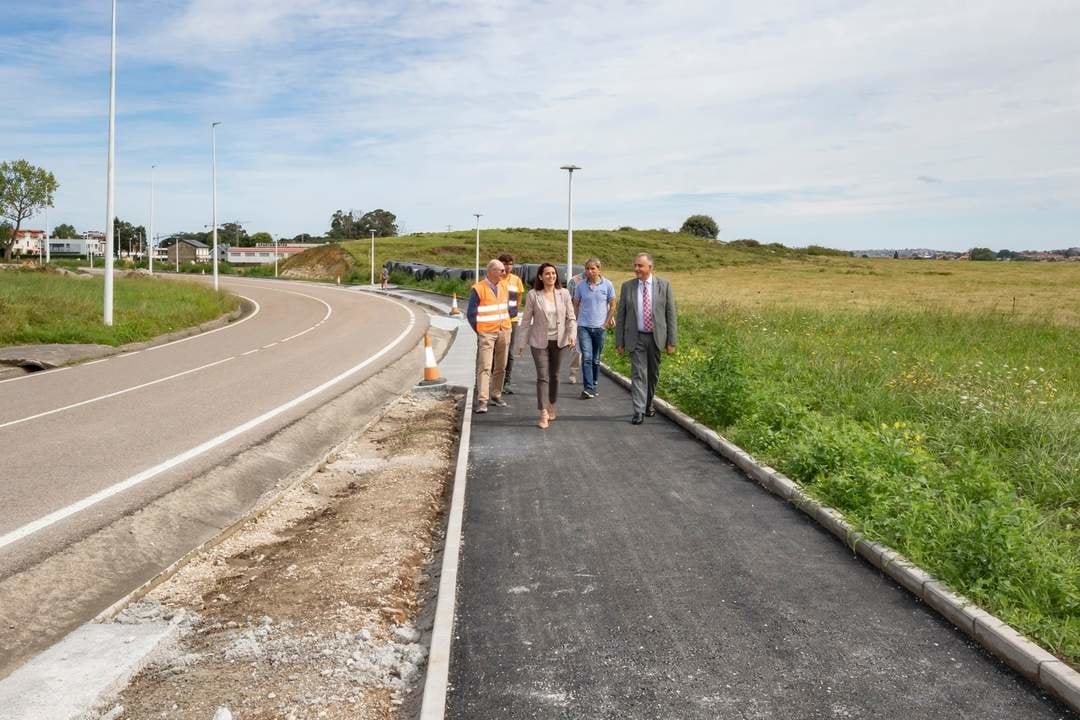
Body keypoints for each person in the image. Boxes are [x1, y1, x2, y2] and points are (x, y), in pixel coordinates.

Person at [615, 252, 677, 425]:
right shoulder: (627, 286)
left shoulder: (664, 285)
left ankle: (649, 404)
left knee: (652, 375)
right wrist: (619, 341)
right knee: (638, 374)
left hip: (657, 337)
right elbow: (621, 315)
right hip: (636, 337)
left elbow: (670, 314)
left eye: (640, 266)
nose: (636, 269)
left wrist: (672, 341)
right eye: (635, 265)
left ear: (650, 267)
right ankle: (638, 411)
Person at [514, 263, 577, 429]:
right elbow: (526, 320)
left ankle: (552, 404)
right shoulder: (534, 295)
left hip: (560, 341)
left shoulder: (564, 294)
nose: (551, 276)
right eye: (547, 274)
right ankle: (542, 412)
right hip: (539, 342)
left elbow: (571, 318)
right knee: (543, 376)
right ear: (540, 277)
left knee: (555, 375)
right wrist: (521, 342)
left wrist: (572, 334)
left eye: (553, 273)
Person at [467, 259, 512, 413]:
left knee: (501, 366)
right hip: (486, 333)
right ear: (491, 271)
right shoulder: (478, 288)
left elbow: (510, 308)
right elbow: (471, 313)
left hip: (504, 330)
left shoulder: (504, 286)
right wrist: (480, 331)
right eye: (501, 270)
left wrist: (507, 326)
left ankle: (496, 395)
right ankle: (482, 400)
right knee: (485, 366)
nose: (504, 273)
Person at [572, 257, 616, 399]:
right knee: (587, 357)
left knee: (596, 359)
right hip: (584, 326)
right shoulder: (580, 286)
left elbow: (613, 305)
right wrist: (575, 323)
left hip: (599, 328)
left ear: (599, 269)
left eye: (593, 269)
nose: (590, 271)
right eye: (587, 269)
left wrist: (606, 323)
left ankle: (594, 384)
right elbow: (576, 304)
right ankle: (588, 387)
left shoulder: (607, 285)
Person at [495, 252, 525, 394]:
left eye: (510, 264)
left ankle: (507, 381)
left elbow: (519, 297)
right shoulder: (495, 279)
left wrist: (514, 311)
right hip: (495, 320)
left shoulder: (516, 280)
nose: (507, 266)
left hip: (511, 320)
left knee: (510, 352)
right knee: (496, 351)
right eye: (505, 264)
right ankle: (495, 381)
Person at [565, 270, 583, 384]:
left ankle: (589, 375)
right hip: (576, 318)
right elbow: (568, 301)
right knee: (576, 349)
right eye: (588, 268)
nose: (590, 271)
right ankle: (573, 372)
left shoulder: (601, 281)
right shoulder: (574, 281)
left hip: (593, 320)